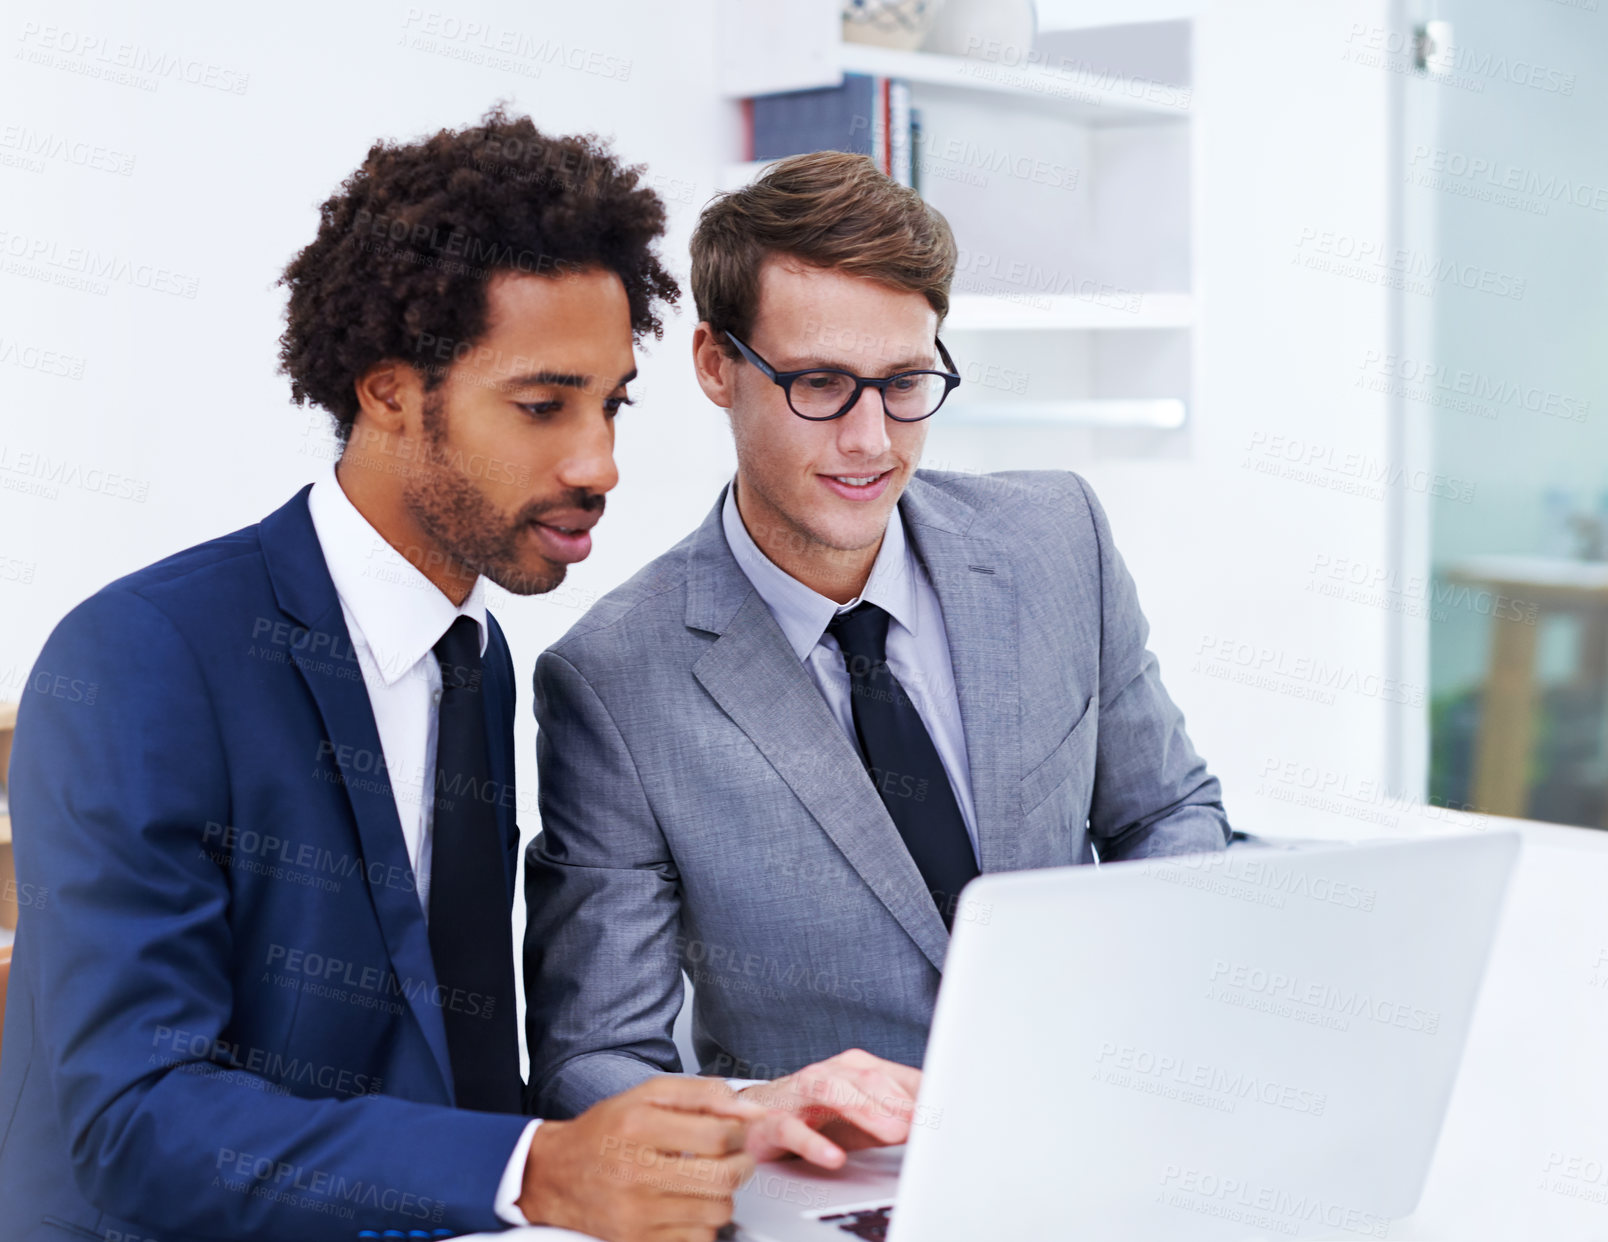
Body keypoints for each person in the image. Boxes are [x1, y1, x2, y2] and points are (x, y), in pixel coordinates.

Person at [0, 114, 915, 1242]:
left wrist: (733, 1120)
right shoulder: (144, 660)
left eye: (610, 403)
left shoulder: (474, 665)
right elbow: (134, 1126)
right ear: (389, 395)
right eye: (543, 406)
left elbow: (465, 1104)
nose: (599, 466)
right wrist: (541, 1172)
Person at [524, 150, 1232, 1115]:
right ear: (716, 367)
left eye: (905, 381)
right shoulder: (615, 679)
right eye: (819, 384)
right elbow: (595, 1059)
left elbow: (1169, 815)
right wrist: (759, 1119)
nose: (871, 440)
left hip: (1106, 1123)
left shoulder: (1060, 540)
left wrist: (1139, 1012)